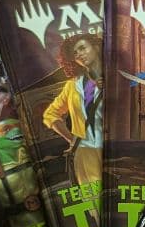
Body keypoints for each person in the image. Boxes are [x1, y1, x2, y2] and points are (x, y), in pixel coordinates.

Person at [42, 34, 103, 186]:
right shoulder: (72, 86)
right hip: (86, 152)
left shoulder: (117, 76)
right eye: (75, 53)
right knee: (93, 197)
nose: (79, 54)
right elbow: (50, 114)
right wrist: (71, 138)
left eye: (82, 48)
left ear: (96, 47)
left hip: (115, 148)